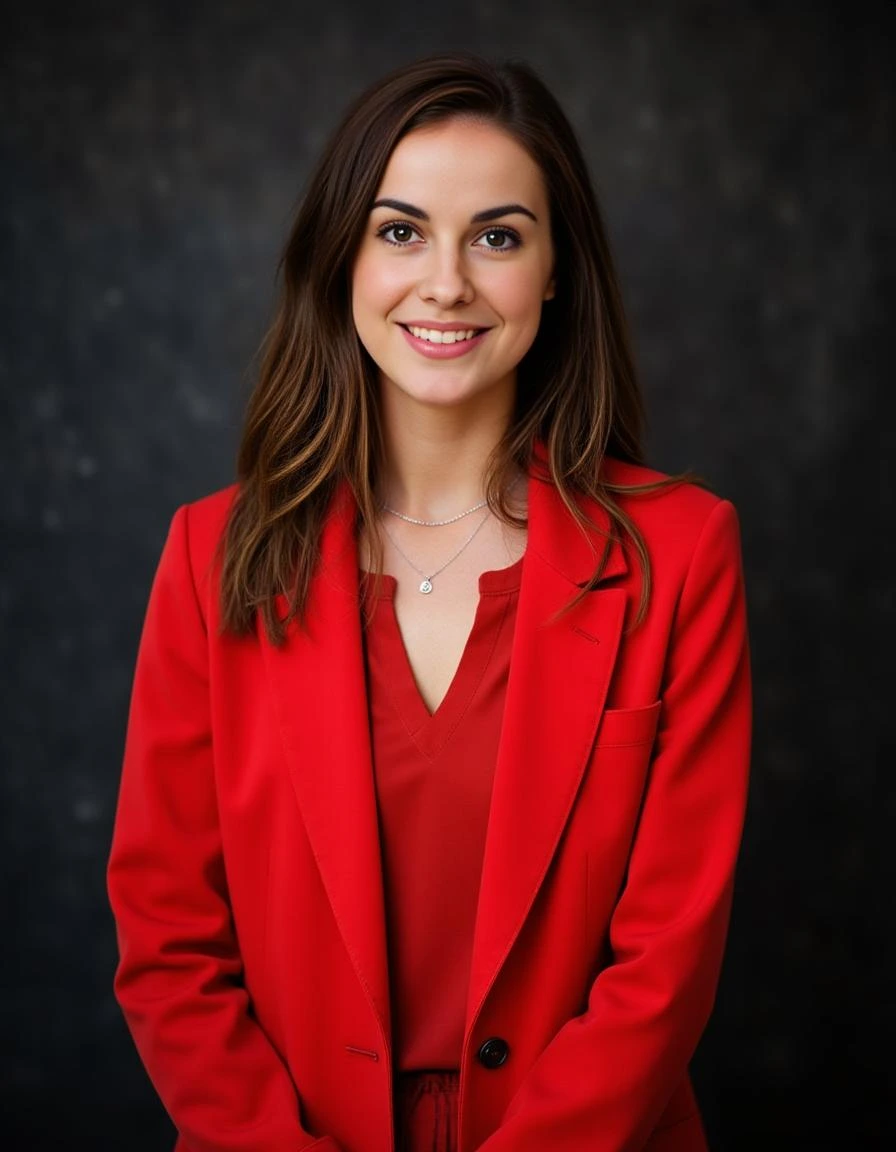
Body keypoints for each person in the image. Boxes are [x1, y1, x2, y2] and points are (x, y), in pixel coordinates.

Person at [107, 52, 751, 1152]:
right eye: (398, 230)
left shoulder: (679, 554)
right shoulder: (210, 555)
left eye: (496, 236)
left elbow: (665, 962)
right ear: (340, 259)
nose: (444, 281)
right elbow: (168, 942)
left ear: (555, 270)